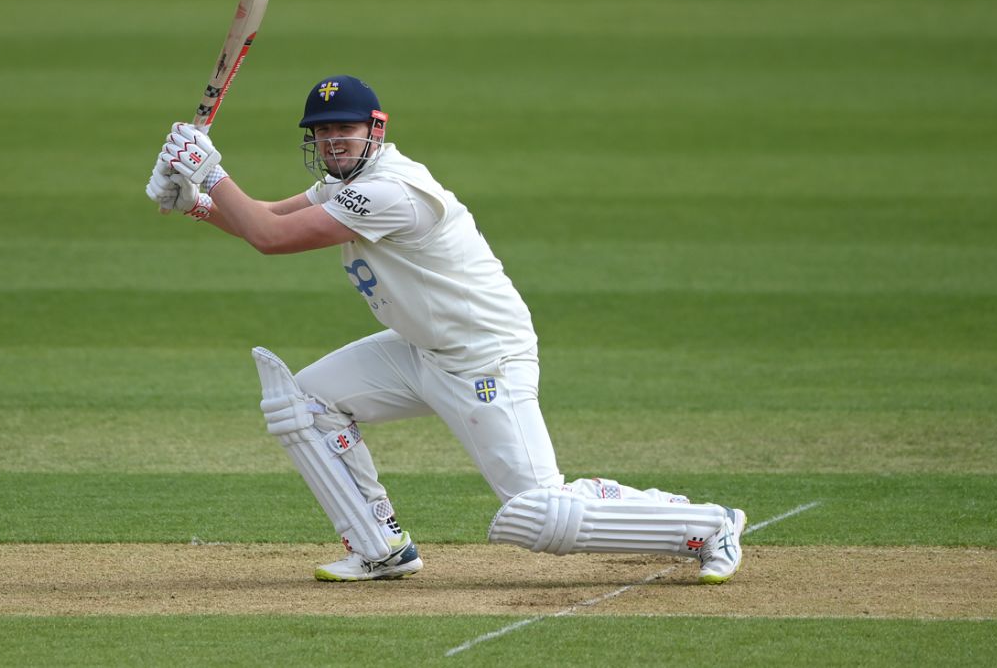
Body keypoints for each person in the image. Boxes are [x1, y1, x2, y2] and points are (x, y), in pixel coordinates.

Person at [145, 75, 746, 583]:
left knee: (536, 511)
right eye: (322, 131)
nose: (331, 140)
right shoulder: (345, 183)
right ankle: (380, 548)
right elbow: (267, 218)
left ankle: (708, 524)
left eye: (343, 128)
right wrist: (195, 201)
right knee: (305, 402)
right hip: (420, 351)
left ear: (375, 127)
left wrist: (212, 171)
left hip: (483, 358)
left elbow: (272, 240)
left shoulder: (390, 190)